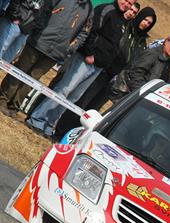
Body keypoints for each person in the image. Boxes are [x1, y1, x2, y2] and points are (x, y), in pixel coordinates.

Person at [25, 0, 133, 137]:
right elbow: (90, 30)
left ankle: (48, 124)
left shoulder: (122, 21)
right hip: (85, 60)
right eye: (126, 0)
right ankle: (37, 119)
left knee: (73, 97)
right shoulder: (106, 9)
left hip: (98, 66)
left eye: (130, 3)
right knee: (64, 90)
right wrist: (89, 53)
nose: (127, 4)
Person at [52, 4, 155, 141]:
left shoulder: (142, 42)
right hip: (102, 70)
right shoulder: (126, 27)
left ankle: (75, 137)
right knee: (81, 101)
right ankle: (61, 131)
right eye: (145, 19)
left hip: (115, 79)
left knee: (93, 108)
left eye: (149, 23)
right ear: (140, 17)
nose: (146, 23)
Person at [0, 0, 93, 117]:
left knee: (33, 79)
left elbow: (84, 33)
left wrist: (70, 48)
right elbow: (43, 10)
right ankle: (1, 100)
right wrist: (38, 30)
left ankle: (14, 106)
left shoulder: (89, 9)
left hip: (56, 53)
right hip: (38, 42)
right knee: (20, 70)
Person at [108, 33, 170, 104]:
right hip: (130, 95)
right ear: (166, 41)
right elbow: (136, 73)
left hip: (146, 99)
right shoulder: (152, 54)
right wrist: (141, 94)